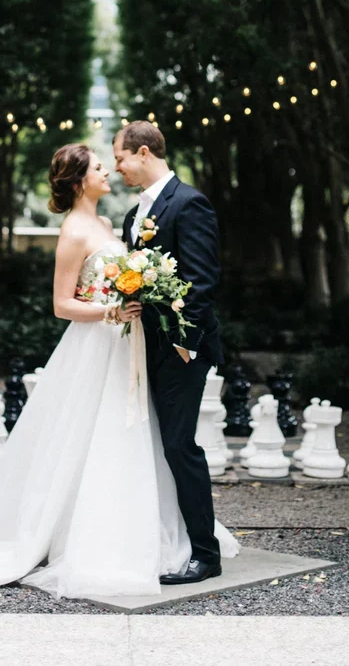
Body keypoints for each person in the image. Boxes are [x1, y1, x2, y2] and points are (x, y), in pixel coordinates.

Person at [0, 142, 237, 598]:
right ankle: (85, 538)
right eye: (99, 167)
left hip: (131, 345)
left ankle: (154, 532)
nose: (109, 171)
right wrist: (111, 311)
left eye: (112, 162)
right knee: (94, 436)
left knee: (140, 434)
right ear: (78, 181)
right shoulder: (74, 231)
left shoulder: (117, 222)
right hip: (101, 340)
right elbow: (61, 304)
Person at [114, 120, 224, 585]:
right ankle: (164, 539)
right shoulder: (134, 213)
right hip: (145, 346)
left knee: (180, 446)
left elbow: (202, 282)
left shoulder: (189, 202)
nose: (117, 166)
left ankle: (206, 553)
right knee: (153, 445)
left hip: (181, 349)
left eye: (120, 157)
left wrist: (184, 344)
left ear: (142, 153)